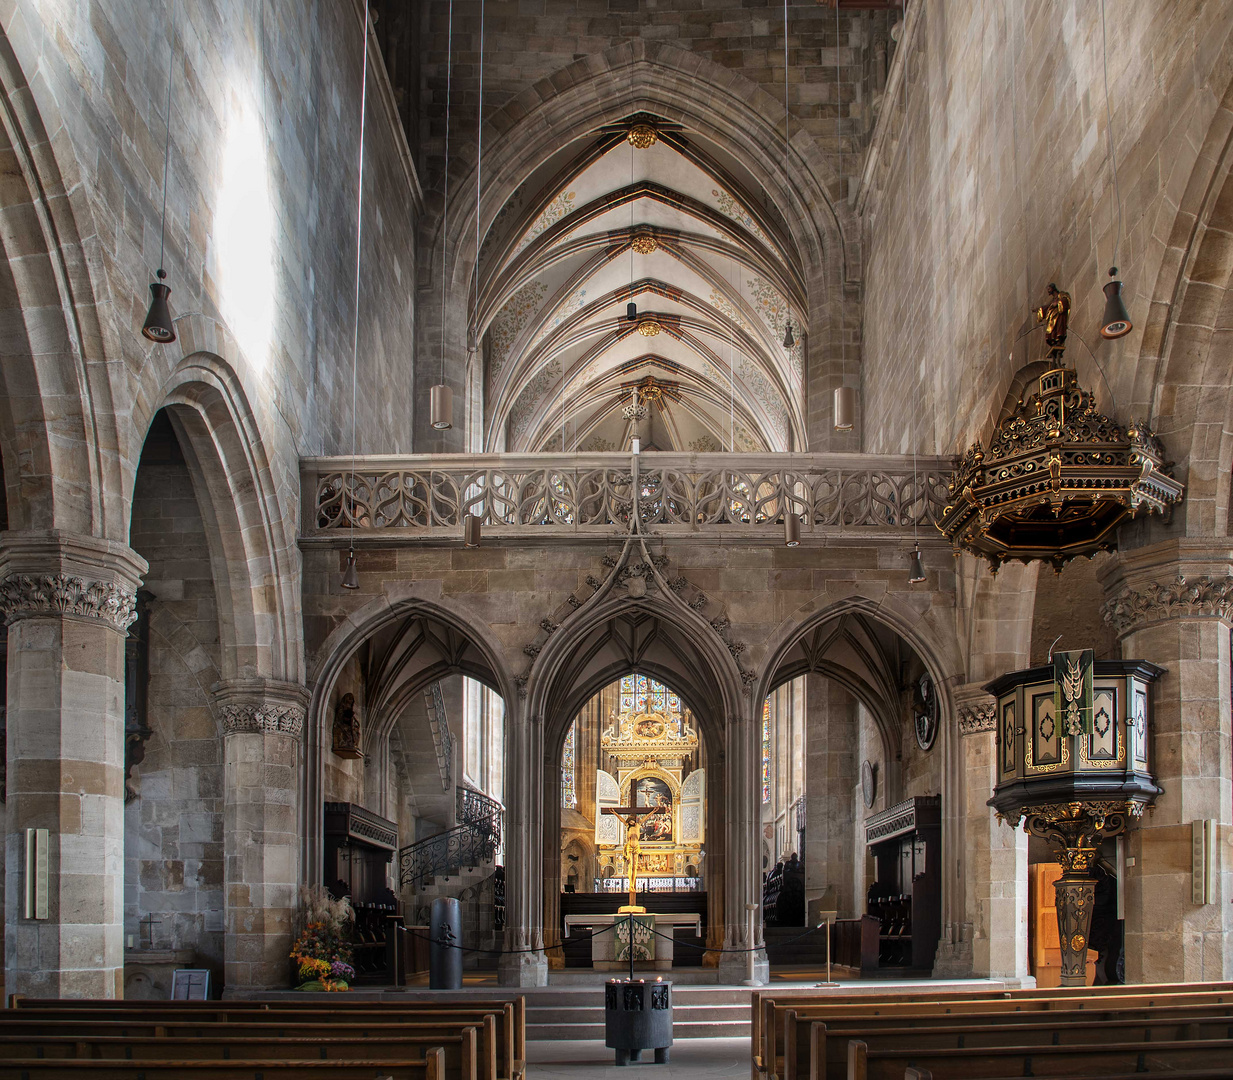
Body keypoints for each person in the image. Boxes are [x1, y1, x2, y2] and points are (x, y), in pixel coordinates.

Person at [1034, 282, 1071, 358]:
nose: (1048, 291)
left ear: (1053, 288)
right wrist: (1038, 310)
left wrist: (1057, 304)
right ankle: (1054, 342)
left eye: (1049, 289)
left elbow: (1065, 301)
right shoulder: (1052, 300)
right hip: (1052, 319)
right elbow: (1047, 307)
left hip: (1059, 316)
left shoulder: (1061, 295)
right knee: (1051, 332)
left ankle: (1059, 341)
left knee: (1059, 328)